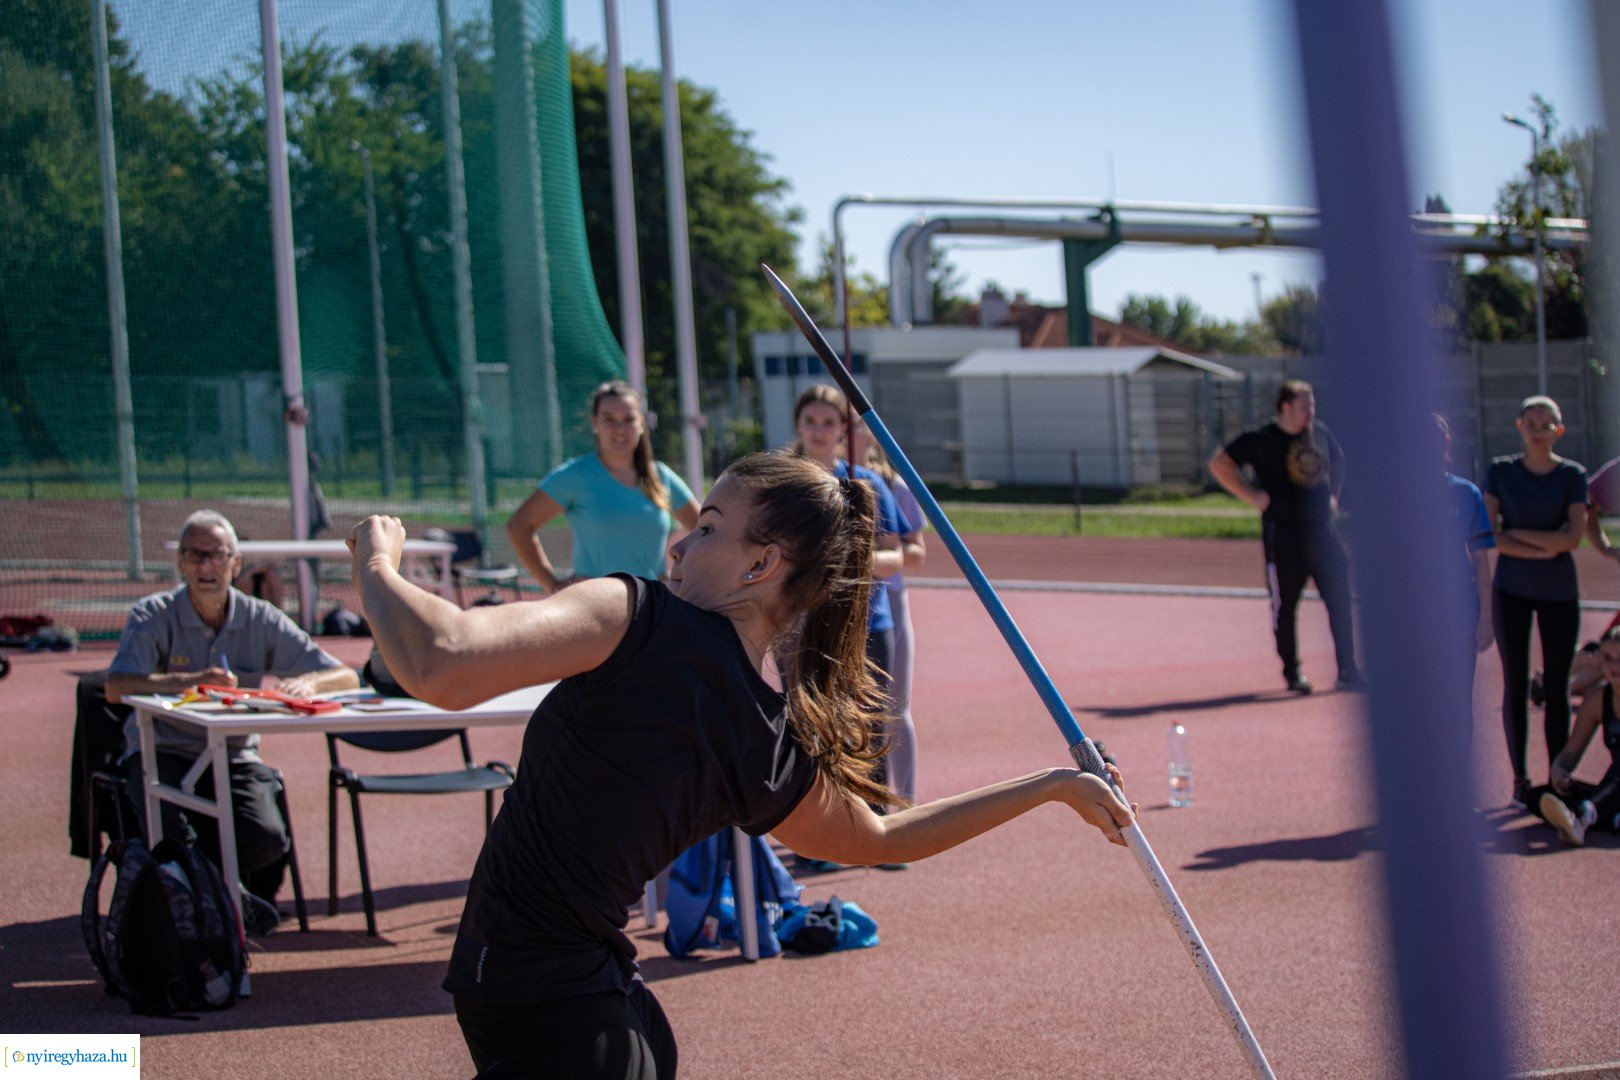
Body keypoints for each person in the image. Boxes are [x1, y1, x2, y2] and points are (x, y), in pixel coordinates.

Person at [346, 451, 1135, 1079]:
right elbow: (884, 839)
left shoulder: (633, 616)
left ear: (761, 565)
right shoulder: (764, 738)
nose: (681, 541)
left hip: (544, 1006)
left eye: (710, 527)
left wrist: (377, 562)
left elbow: (440, 662)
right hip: (595, 1010)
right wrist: (1050, 786)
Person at [105, 510, 359, 928]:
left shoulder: (259, 617)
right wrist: (191, 682)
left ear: (235, 564)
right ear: (181, 563)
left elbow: (345, 674)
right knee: (172, 833)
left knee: (267, 839)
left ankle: (214, 898)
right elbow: (117, 686)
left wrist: (312, 684)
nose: (206, 566)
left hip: (233, 753)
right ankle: (215, 908)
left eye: (217, 555)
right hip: (163, 750)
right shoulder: (151, 615)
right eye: (195, 555)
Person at [791, 386, 919, 844]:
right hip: (801, 622)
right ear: (798, 426)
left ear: (844, 430)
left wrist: (850, 563)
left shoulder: (866, 484)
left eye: (830, 422)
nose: (820, 431)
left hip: (867, 623)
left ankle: (877, 826)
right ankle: (815, 832)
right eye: (812, 421)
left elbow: (897, 556)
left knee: (869, 722)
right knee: (811, 723)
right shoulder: (785, 482)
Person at [1208, 379, 1364, 695]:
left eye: (1313, 405)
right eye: (1305, 406)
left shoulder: (1319, 433)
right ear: (1286, 407)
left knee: (1340, 601)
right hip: (1284, 534)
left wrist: (1333, 496)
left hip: (1323, 530)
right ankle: (1293, 672)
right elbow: (1219, 463)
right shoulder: (1262, 438)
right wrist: (1253, 497)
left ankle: (1347, 670)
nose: (1311, 412)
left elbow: (1339, 460)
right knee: (1286, 606)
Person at [1483, 395, 1589, 810]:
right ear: (1519, 426)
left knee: (1558, 687)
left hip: (1559, 593)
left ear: (1559, 430)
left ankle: (1556, 781)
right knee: (1515, 685)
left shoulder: (1572, 476)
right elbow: (1490, 534)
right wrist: (1547, 545)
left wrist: (1520, 536)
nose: (1538, 430)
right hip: (1511, 590)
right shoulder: (1501, 472)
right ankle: (1520, 781)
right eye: (1531, 422)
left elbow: (1573, 539)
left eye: (1547, 424)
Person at [507, 381, 701, 594]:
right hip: (596, 612)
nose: (619, 428)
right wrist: (553, 584)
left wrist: (680, 576)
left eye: (628, 419)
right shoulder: (575, 476)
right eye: (609, 419)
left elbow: (707, 531)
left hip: (651, 610)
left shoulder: (661, 476)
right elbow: (519, 526)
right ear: (595, 423)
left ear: (641, 424)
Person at [849, 416, 928, 805]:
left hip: (886, 601)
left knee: (894, 707)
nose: (842, 434)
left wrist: (870, 558)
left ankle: (906, 803)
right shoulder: (826, 480)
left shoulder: (890, 483)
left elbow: (914, 553)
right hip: (845, 602)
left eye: (849, 425)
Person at [1531, 625, 1620, 847]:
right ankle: (1606, 816)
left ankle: (1583, 814)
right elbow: (1572, 752)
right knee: (1539, 797)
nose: (1614, 666)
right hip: (1614, 788)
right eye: (1608, 657)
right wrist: (1559, 769)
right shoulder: (1598, 701)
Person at [1435, 414, 1496, 727]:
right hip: (1413, 619)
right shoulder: (1397, 496)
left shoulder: (1466, 493)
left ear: (1446, 442)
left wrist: (1485, 618)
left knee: (1459, 710)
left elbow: (1481, 561)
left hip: (1459, 613)